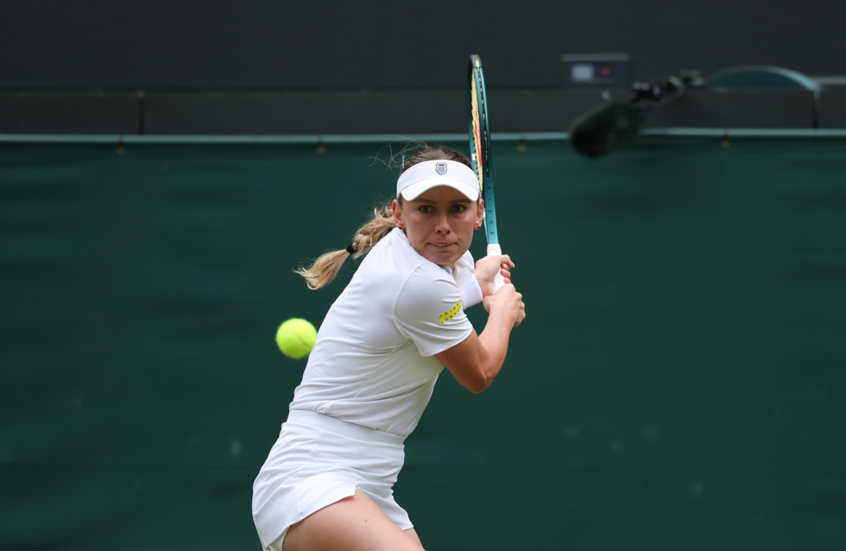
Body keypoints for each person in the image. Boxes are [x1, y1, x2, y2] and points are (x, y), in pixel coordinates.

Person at [252, 147, 526, 551]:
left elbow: (423, 311)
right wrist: (502, 312)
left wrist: (475, 285)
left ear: (478, 213)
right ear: (399, 213)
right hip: (313, 475)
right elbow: (479, 373)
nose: (443, 226)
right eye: (426, 209)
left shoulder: (428, 259)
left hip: (368, 481)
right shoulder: (421, 280)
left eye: (457, 209)